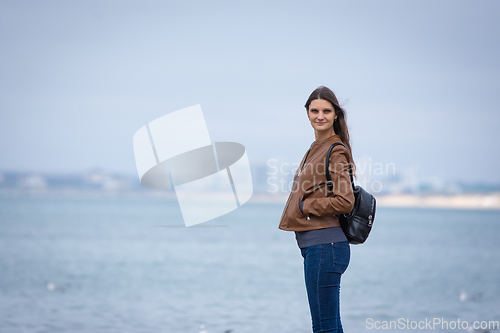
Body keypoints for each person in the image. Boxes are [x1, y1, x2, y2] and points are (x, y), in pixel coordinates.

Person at [279, 86, 356, 333]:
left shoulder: (336, 150)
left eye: (326, 110)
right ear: (307, 113)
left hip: (325, 246)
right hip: (317, 246)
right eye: (314, 110)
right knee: (330, 325)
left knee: (323, 327)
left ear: (335, 115)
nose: (319, 116)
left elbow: (345, 201)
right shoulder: (315, 148)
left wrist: (307, 205)